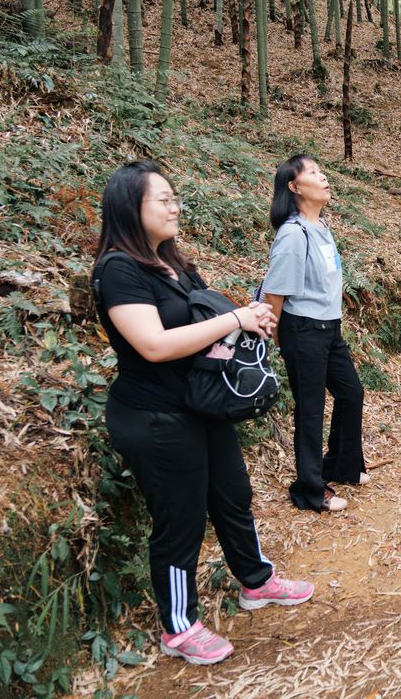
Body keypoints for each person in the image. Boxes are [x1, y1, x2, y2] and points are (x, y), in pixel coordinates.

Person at [92, 161, 314, 667]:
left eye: (175, 198)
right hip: (156, 418)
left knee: (234, 496)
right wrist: (235, 316)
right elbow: (152, 345)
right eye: (163, 199)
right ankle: (179, 625)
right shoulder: (118, 269)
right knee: (180, 520)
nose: (175, 207)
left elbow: (205, 324)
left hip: (202, 405)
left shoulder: (173, 263)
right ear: (131, 207)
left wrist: (246, 319)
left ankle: (255, 581)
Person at [261, 154, 368, 513]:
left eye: (322, 172)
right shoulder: (292, 234)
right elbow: (275, 294)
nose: (323, 178)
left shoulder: (320, 227)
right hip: (303, 329)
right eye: (314, 173)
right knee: (310, 410)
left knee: (351, 392)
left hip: (329, 327)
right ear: (294, 187)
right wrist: (276, 338)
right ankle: (308, 488)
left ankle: (341, 464)